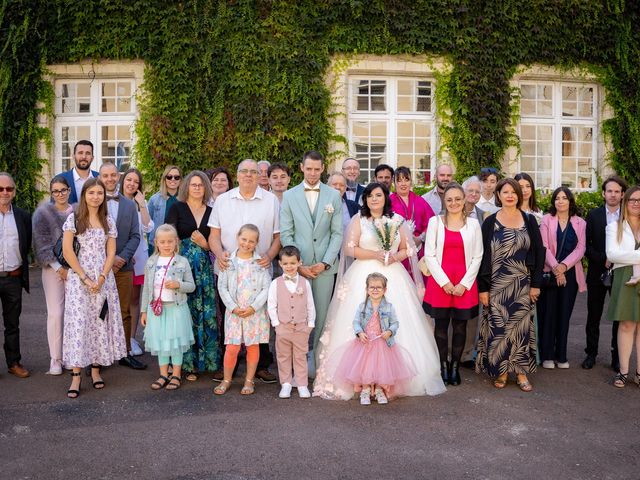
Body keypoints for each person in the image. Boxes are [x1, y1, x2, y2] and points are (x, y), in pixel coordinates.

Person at [313, 183, 446, 399]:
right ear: (364, 199)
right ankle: (360, 377)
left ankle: (391, 377)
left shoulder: (396, 220)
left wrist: (395, 257)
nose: (374, 199)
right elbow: (349, 248)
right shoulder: (359, 220)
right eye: (370, 196)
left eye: (378, 195)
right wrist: (374, 254)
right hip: (363, 273)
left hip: (392, 274)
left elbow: (408, 249)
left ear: (385, 198)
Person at [209, 159, 281, 383]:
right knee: (228, 318)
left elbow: (278, 237)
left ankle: (260, 365)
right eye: (244, 172)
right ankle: (227, 367)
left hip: (258, 272)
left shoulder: (271, 201)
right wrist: (220, 254)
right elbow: (214, 235)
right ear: (237, 175)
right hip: (229, 271)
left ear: (259, 175)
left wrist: (269, 256)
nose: (249, 175)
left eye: (253, 172)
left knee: (259, 319)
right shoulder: (223, 200)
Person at [476, 178, 544, 392]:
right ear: (499, 195)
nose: (510, 195)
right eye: (505, 192)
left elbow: (538, 253)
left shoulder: (529, 220)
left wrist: (536, 284)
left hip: (522, 285)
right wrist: (483, 288)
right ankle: (502, 371)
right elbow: (483, 256)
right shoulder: (490, 222)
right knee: (499, 330)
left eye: (513, 192)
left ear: (519, 195)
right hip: (496, 285)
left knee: (521, 329)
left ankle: (521, 372)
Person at [61, 178, 127, 398]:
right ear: (84, 195)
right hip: (79, 281)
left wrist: (101, 277)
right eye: (92, 193)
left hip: (103, 280)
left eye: (100, 193)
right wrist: (85, 278)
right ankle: (77, 375)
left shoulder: (108, 220)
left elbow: (111, 252)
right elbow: (68, 252)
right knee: (80, 324)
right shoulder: (74, 219)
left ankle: (96, 370)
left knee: (100, 321)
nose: (96, 197)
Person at [280, 151, 343, 370]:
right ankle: (296, 363)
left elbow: (337, 234)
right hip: (298, 268)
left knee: (323, 315)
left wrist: (325, 262)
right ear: (301, 168)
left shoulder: (333, 196)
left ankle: (317, 363)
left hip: (324, 268)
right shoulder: (289, 196)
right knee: (297, 315)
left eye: (317, 169)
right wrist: (300, 265)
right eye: (309, 169)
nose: (313, 173)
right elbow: (287, 233)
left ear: (323, 168)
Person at [422, 183, 482, 386]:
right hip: (440, 283)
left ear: (464, 200)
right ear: (444, 202)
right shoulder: (435, 222)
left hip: (464, 283)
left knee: (459, 327)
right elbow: (429, 255)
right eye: (449, 199)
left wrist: (463, 284)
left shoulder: (473, 225)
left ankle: (455, 367)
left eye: (458, 199)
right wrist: (445, 282)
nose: (454, 203)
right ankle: (442, 366)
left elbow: (478, 256)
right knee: (440, 326)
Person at [330, 273, 417, 405]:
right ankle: (365, 390)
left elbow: (395, 323)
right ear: (366, 289)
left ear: (385, 290)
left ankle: (378, 389)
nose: (375, 290)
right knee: (365, 367)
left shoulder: (389, 307)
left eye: (379, 287)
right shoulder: (362, 306)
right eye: (372, 287)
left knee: (381, 367)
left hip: (382, 343)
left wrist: (389, 331)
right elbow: (356, 322)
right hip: (365, 343)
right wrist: (359, 333)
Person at [166, 170, 220, 381]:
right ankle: (185, 364)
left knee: (205, 312)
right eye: (193, 184)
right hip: (181, 267)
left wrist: (205, 245)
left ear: (206, 187)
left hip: (204, 269)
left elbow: (215, 240)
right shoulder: (177, 207)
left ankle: (205, 361)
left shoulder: (212, 211)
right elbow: (168, 236)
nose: (197, 188)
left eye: (200, 185)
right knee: (183, 313)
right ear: (186, 186)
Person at [214, 224, 271, 395]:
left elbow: (267, 287)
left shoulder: (260, 263)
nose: (247, 243)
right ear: (238, 238)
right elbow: (222, 287)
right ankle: (226, 379)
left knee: (253, 347)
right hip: (234, 312)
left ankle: (249, 381)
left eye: (251, 241)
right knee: (232, 347)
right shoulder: (228, 262)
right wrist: (232, 307)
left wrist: (254, 307)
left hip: (255, 312)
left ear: (257, 243)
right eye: (244, 239)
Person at [98, 162, 145, 370]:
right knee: (99, 311)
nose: (109, 179)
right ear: (100, 177)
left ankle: (125, 351)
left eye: (112, 175)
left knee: (124, 311)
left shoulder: (129, 204)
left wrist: (121, 258)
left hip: (123, 267)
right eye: (105, 175)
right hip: (98, 268)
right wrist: (108, 259)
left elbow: (136, 235)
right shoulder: (93, 201)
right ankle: (98, 355)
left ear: (118, 176)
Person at [140, 224, 195, 391]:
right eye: (162, 242)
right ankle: (164, 374)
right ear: (156, 242)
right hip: (156, 310)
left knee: (175, 343)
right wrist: (144, 311)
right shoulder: (151, 262)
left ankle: (176, 374)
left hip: (176, 309)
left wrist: (178, 284)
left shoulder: (182, 261)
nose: (166, 245)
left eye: (170, 241)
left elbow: (191, 286)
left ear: (176, 242)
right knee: (161, 343)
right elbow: (147, 289)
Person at [538, 187, 586, 369]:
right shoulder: (546, 220)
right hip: (550, 273)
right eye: (557, 198)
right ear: (553, 202)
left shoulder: (580, 222)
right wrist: (557, 269)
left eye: (564, 198)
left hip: (571, 274)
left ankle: (562, 355)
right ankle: (547, 355)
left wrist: (564, 267)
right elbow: (543, 247)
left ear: (570, 201)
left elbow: (581, 249)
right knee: (549, 314)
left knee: (564, 314)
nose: (560, 201)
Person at [582, 176, 627, 370]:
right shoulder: (593, 215)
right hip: (597, 273)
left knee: (619, 316)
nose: (613, 195)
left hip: (622, 272)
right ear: (603, 193)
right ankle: (591, 354)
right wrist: (603, 258)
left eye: (617, 191)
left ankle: (617, 357)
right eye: (610, 191)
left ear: (622, 194)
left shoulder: (628, 216)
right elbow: (586, 247)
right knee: (594, 315)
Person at [32, 175, 74, 375]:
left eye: (63, 190)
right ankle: (55, 359)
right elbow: (42, 245)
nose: (60, 194)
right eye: (56, 191)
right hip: (53, 269)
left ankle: (70, 355)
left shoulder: (77, 211)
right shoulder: (42, 213)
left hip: (76, 269)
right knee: (56, 314)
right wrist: (59, 268)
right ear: (51, 193)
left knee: (73, 313)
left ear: (69, 191)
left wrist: (74, 269)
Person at [267, 245, 316, 399]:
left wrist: (310, 324)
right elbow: (271, 305)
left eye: (293, 263)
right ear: (280, 264)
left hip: (302, 327)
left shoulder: (305, 283)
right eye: (286, 263)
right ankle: (286, 384)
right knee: (283, 356)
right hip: (283, 328)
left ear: (299, 263)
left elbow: (310, 304)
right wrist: (276, 325)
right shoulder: (276, 283)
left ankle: (302, 384)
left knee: (301, 356)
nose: (289, 266)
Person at [605, 186, 640, 388]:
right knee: (626, 325)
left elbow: (622, 255)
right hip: (625, 276)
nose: (636, 203)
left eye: (639, 200)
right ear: (625, 202)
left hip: (632, 270)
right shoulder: (614, 226)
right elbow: (612, 255)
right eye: (632, 199)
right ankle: (623, 372)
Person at [119, 168, 154, 357]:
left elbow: (148, 227)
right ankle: (117, 339)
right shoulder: (113, 201)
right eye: (129, 180)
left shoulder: (140, 203)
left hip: (138, 258)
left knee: (134, 299)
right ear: (123, 181)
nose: (131, 184)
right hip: (119, 257)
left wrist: (141, 204)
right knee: (116, 300)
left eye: (136, 181)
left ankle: (131, 339)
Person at [0, 172, 31, 378]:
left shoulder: (23, 216)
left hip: (12, 277)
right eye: (0, 189)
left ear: (14, 191)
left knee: (12, 324)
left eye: (9, 189)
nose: (4, 192)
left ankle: (14, 362)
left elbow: (26, 244)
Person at [390, 166, 435, 263]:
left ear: (411, 181)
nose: (403, 184)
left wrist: (420, 238)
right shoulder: (389, 201)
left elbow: (433, 222)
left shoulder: (420, 201)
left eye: (406, 180)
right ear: (394, 183)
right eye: (399, 180)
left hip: (417, 247)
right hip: (397, 250)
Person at [147, 165, 182, 255]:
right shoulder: (154, 199)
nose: (173, 179)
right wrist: (152, 243)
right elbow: (148, 224)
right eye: (169, 177)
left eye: (176, 177)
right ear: (164, 179)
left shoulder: (185, 199)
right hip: (159, 245)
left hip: (180, 245)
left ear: (180, 180)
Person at [59, 140, 98, 204]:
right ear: (73, 156)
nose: (84, 157)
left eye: (88, 153)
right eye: (80, 153)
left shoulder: (100, 178)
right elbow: (54, 209)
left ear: (92, 158)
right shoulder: (61, 179)